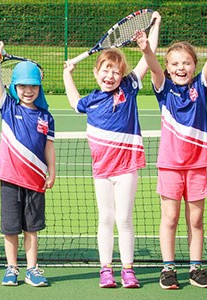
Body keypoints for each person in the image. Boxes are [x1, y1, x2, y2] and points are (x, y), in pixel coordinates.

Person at [62, 11, 160, 289]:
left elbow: (146, 60)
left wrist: (155, 27)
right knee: (105, 218)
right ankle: (106, 270)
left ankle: (128, 270)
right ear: (96, 72)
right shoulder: (91, 101)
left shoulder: (129, 87)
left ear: (122, 75)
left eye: (115, 71)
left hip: (127, 166)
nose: (110, 75)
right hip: (101, 169)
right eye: (105, 70)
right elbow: (73, 101)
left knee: (124, 218)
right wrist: (67, 74)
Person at [142, 20, 207, 290]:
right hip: (170, 166)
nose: (181, 68)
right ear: (168, 69)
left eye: (186, 63)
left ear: (194, 65)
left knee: (196, 219)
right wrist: (147, 50)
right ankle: (168, 268)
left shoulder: (201, 89)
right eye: (175, 64)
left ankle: (195, 267)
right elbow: (153, 67)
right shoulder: (164, 89)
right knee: (169, 218)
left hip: (197, 165)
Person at [0, 40, 55, 287]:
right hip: (10, 179)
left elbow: (49, 146)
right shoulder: (8, 107)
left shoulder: (46, 116)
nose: (28, 90)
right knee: (10, 228)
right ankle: (11, 268)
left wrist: (52, 170)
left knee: (32, 228)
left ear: (39, 88)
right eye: (23, 86)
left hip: (36, 181)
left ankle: (32, 269)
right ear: (15, 87)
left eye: (33, 86)